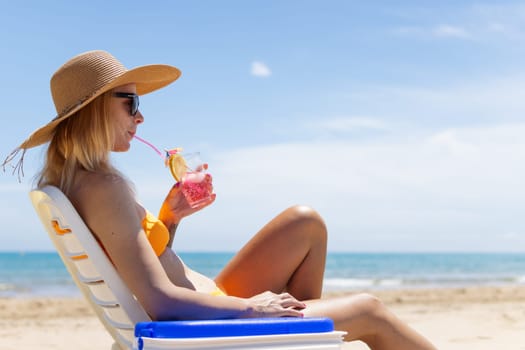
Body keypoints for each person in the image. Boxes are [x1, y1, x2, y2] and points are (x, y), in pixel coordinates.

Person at [3, 50, 436, 349]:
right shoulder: (104, 186)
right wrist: (254, 309)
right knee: (371, 311)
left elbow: (139, 265)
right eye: (130, 102)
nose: (140, 115)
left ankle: (299, 337)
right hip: (204, 319)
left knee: (305, 222)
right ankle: (294, 333)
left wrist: (169, 219)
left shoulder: (81, 182)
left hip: (208, 299)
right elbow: (159, 302)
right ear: (96, 108)